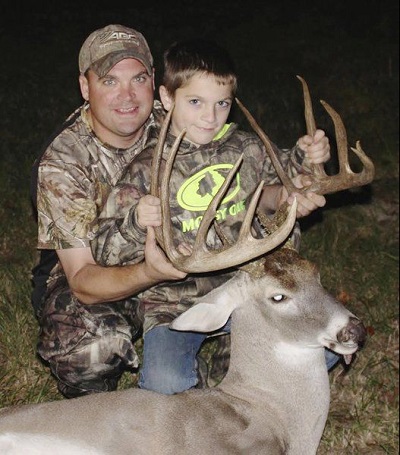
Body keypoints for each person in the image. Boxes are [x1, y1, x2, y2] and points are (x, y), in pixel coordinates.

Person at [90, 38, 338, 396]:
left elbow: (289, 178)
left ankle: (228, 370)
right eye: (195, 102)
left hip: (250, 293)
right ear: (167, 98)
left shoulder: (246, 148)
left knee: (324, 348)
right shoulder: (145, 169)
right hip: (175, 302)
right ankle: (218, 376)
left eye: (222, 104)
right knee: (166, 383)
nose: (210, 116)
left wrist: (307, 157)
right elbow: (103, 248)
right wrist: (135, 222)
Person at [32, 24, 188, 399]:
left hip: (175, 267)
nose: (127, 96)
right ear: (86, 88)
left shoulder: (182, 128)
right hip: (93, 279)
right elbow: (83, 279)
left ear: (155, 82)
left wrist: (290, 183)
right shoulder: (62, 162)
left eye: (138, 78)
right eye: (109, 81)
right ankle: (93, 414)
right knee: (90, 347)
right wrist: (149, 272)